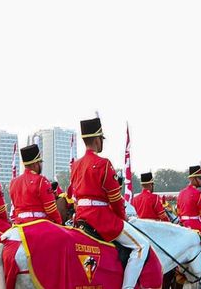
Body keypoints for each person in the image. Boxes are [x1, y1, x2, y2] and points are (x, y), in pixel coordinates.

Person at [69, 116, 146, 289]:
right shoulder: (103, 164)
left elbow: (74, 197)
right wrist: (122, 217)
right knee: (141, 246)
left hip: (81, 218)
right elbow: (115, 199)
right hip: (100, 219)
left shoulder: (75, 165)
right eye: (101, 139)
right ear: (97, 139)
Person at [9, 144, 61, 224]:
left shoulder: (13, 182)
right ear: (35, 164)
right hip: (38, 222)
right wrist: (59, 222)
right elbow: (51, 208)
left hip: (19, 222)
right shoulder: (41, 180)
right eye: (40, 162)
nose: (41, 165)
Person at [176, 166, 201, 233]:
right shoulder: (198, 193)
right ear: (193, 179)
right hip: (195, 225)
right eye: (200, 178)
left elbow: (178, 212)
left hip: (182, 225)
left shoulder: (181, 193)